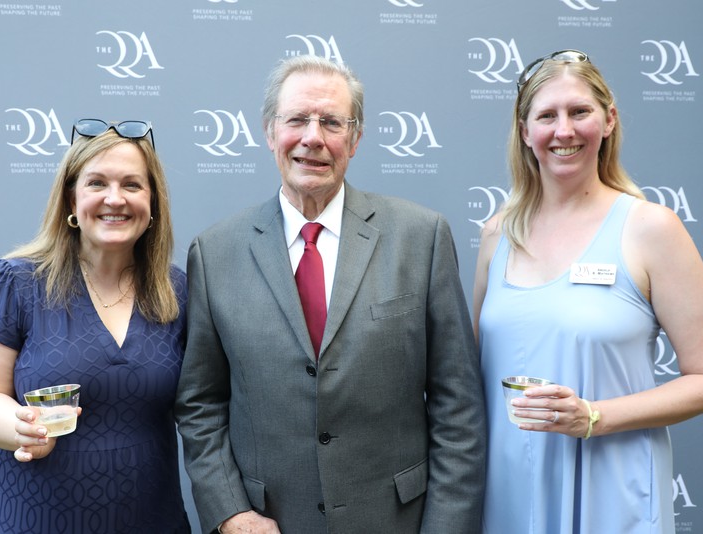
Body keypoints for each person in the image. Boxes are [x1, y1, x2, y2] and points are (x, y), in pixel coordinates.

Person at [174, 55, 486, 534]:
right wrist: (231, 512)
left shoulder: (420, 238)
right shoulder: (215, 253)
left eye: (331, 123)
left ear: (355, 139)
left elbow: (457, 405)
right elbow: (200, 403)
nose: (313, 137)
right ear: (268, 132)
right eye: (297, 119)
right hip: (267, 522)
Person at [473, 50, 703, 533]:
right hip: (508, 493)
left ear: (608, 120)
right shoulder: (497, 234)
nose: (563, 131)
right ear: (525, 132)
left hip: (612, 497)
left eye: (579, 112)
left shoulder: (651, 228)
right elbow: (473, 375)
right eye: (547, 116)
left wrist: (593, 416)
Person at [0, 119, 191, 533]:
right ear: (70, 200)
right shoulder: (16, 281)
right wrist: (20, 429)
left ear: (153, 203)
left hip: (153, 519)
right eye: (97, 183)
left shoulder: (176, 291)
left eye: (132, 185)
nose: (114, 199)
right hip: (39, 518)